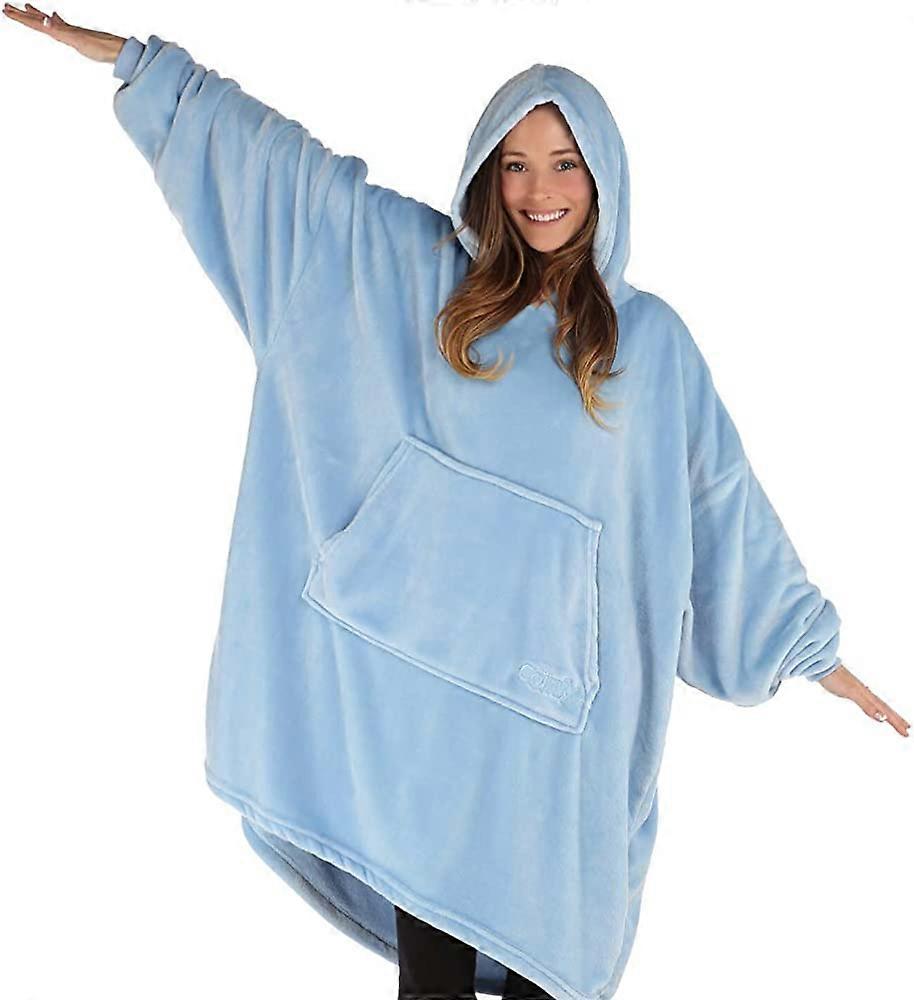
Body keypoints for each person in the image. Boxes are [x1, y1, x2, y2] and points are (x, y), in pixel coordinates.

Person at [4, 7, 909, 1000]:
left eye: (563, 164)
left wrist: (806, 647)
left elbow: (716, 502)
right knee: (429, 983)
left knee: (547, 975)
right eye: (515, 165)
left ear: (601, 177)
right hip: (423, 729)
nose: (539, 191)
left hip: (557, 740)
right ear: (486, 173)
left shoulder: (649, 347)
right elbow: (290, 182)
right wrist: (148, 72)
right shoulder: (411, 277)